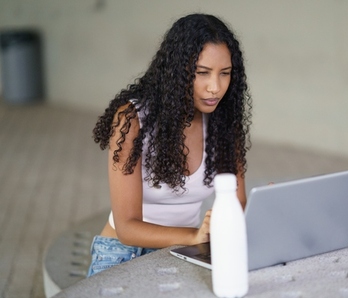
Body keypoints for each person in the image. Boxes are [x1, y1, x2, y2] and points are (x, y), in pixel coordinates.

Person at [87, 13, 252, 277]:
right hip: (123, 253)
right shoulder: (133, 119)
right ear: (178, 71)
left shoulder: (223, 123)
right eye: (202, 73)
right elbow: (127, 229)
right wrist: (194, 235)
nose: (215, 87)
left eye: (225, 74)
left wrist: (264, 210)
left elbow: (238, 202)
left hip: (184, 252)